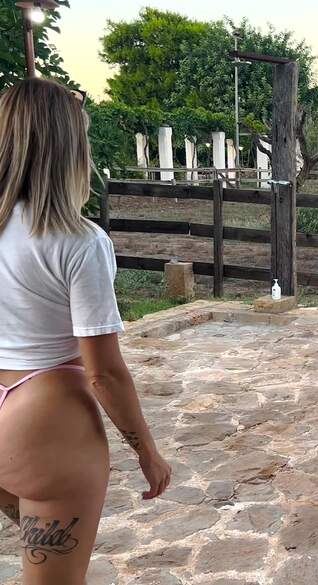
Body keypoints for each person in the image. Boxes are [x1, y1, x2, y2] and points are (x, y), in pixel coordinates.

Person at [0, 78, 171, 584]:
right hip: (44, 418)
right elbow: (104, 374)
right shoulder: (78, 241)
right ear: (69, 147)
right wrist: (147, 452)